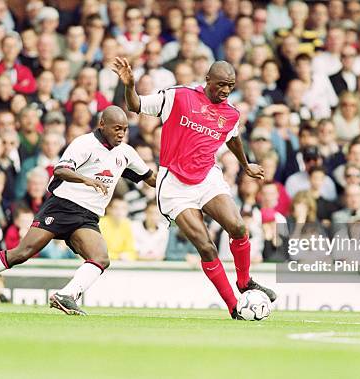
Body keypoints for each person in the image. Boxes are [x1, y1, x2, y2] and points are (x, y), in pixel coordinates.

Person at [0, 106, 157, 315]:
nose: (121, 134)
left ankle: (66, 295)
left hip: (88, 217)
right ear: (102, 124)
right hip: (62, 206)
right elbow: (61, 169)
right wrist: (85, 179)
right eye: (116, 128)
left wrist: (178, 183)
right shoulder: (84, 143)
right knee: (22, 253)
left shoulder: (126, 153)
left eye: (125, 129)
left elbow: (151, 178)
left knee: (101, 258)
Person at [114, 57, 277, 319]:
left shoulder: (231, 113)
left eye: (231, 86)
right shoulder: (178, 96)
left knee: (238, 227)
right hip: (174, 185)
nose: (225, 90)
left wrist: (246, 165)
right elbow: (136, 105)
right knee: (207, 247)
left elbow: (233, 137)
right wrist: (129, 85)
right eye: (221, 84)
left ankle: (245, 281)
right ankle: (234, 307)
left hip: (207, 178)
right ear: (208, 81)